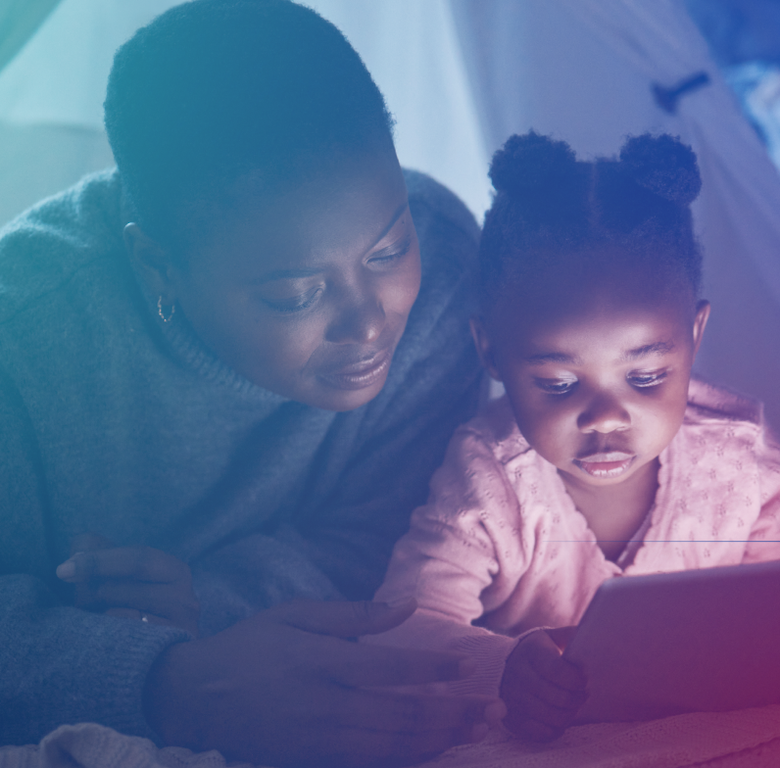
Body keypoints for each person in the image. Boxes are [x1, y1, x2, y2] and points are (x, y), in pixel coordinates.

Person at [0, 0, 509, 764]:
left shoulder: (442, 272)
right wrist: (165, 678)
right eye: (295, 294)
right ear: (158, 267)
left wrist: (209, 604)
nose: (370, 321)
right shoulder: (25, 336)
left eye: (385, 248)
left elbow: (395, 533)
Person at [368, 131, 780, 741]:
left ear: (694, 336)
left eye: (645, 376)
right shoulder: (490, 481)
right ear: (492, 353)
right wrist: (501, 668)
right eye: (559, 383)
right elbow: (402, 626)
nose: (606, 417)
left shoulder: (742, 461)